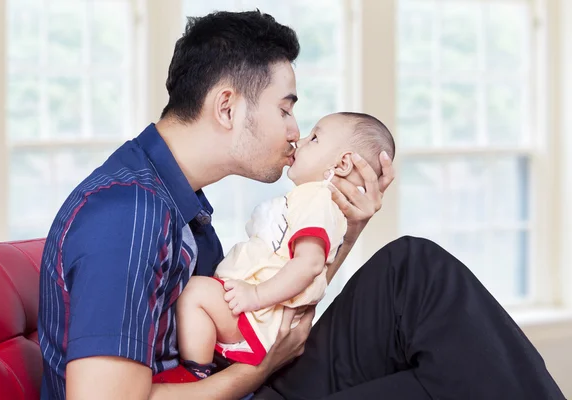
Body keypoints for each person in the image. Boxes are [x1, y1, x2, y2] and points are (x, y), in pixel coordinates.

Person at [36, 10, 564, 400]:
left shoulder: (180, 203)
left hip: (242, 380)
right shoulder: (129, 214)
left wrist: (348, 226)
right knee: (453, 374)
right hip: (240, 387)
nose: (294, 134)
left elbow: (272, 312)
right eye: (286, 110)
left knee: (414, 275)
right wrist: (256, 373)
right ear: (227, 106)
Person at [176, 112, 395, 376]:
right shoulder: (312, 200)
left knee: (195, 293)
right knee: (199, 297)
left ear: (343, 163)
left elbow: (311, 263)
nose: (300, 141)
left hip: (258, 316)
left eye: (314, 138)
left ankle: (195, 374)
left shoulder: (316, 199)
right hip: (256, 311)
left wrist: (255, 296)